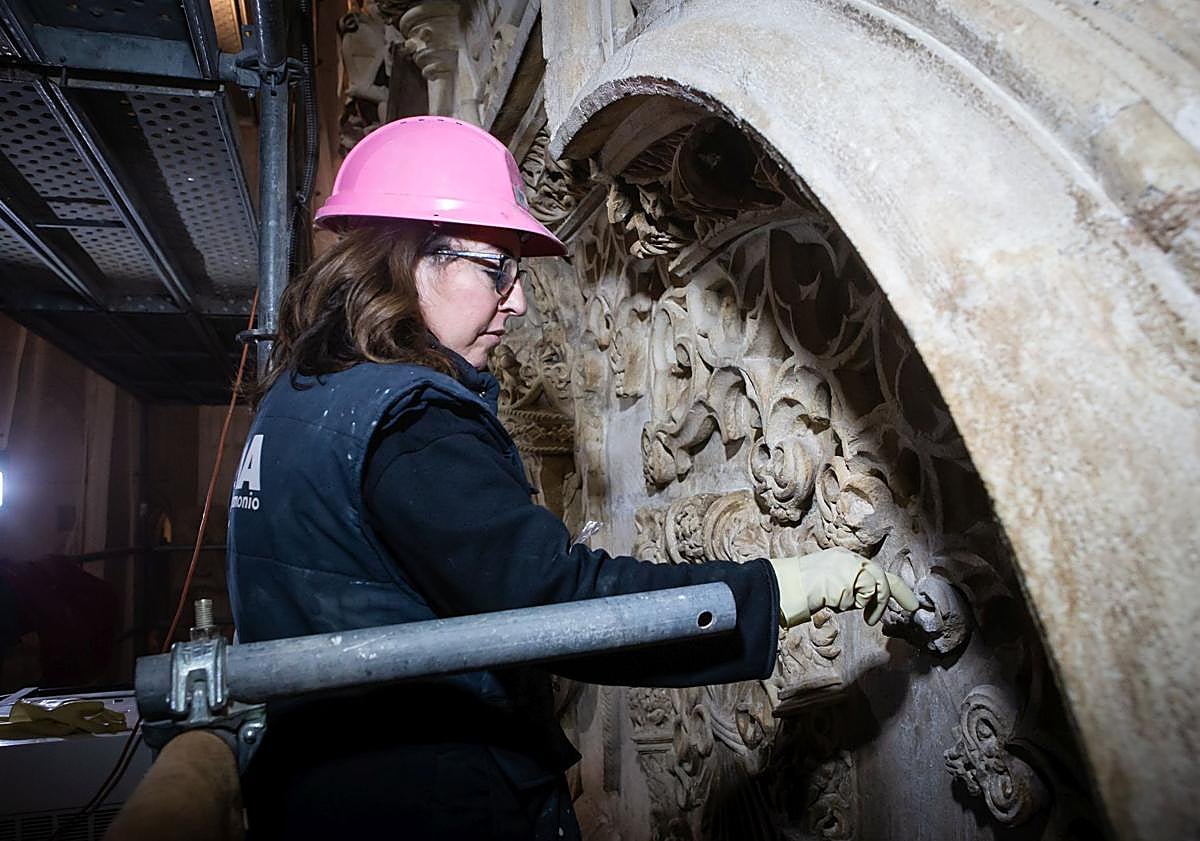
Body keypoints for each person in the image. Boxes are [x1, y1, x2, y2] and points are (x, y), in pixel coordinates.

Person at [226, 116, 917, 841]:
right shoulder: (410, 426)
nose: (518, 301)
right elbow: (558, 606)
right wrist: (776, 590)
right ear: (412, 258)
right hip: (428, 804)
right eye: (497, 268)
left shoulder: (300, 398)